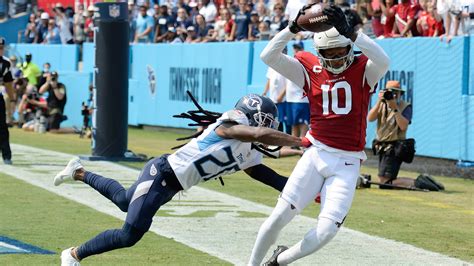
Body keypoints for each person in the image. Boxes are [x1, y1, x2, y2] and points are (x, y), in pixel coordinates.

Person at [54, 94, 305, 265]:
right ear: (250, 115)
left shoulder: (248, 151)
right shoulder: (231, 123)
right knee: (129, 235)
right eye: (266, 121)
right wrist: (300, 141)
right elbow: (257, 132)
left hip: (172, 184)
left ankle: (78, 171)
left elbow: (265, 175)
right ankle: (74, 254)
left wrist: (303, 188)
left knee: (122, 200)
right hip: (162, 173)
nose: (270, 127)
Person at [248, 3, 391, 265]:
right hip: (315, 153)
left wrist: (355, 33)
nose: (336, 57)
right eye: (330, 51)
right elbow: (268, 56)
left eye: (341, 50)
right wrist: (292, 28)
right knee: (278, 216)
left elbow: (384, 60)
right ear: (318, 51)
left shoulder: (363, 69)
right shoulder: (309, 67)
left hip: (347, 161)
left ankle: (278, 261)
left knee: (327, 231)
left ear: (350, 46)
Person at [367, 80, 444, 191]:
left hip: (394, 146)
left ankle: (419, 183)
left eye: (396, 92)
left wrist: (394, 108)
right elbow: (370, 118)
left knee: (384, 182)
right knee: (384, 180)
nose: (393, 95)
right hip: (382, 146)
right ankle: (422, 181)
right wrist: (380, 101)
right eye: (390, 92)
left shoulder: (405, 106)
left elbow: (403, 126)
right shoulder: (382, 104)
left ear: (400, 94)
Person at [0, 37, 15, 164]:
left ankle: (7, 156)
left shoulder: (5, 63)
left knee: (2, 127)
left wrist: (12, 100)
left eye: (1, 47)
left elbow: (8, 83)